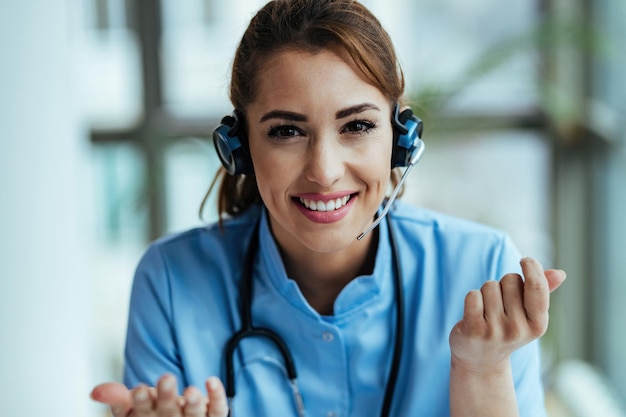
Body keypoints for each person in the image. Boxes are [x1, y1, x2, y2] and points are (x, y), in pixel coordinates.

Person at [91, 0, 566, 416]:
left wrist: (480, 371)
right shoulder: (171, 282)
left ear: (402, 142)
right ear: (238, 149)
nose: (324, 170)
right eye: (286, 131)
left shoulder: (480, 270)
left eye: (356, 126)